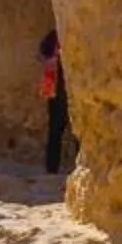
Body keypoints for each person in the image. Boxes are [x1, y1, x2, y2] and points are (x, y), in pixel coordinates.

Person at [41, 30, 79, 177]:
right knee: (55, 132)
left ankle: (78, 170)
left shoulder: (78, 36)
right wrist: (50, 60)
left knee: (78, 135)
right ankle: (51, 169)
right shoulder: (54, 36)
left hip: (74, 95)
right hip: (57, 95)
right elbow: (42, 52)